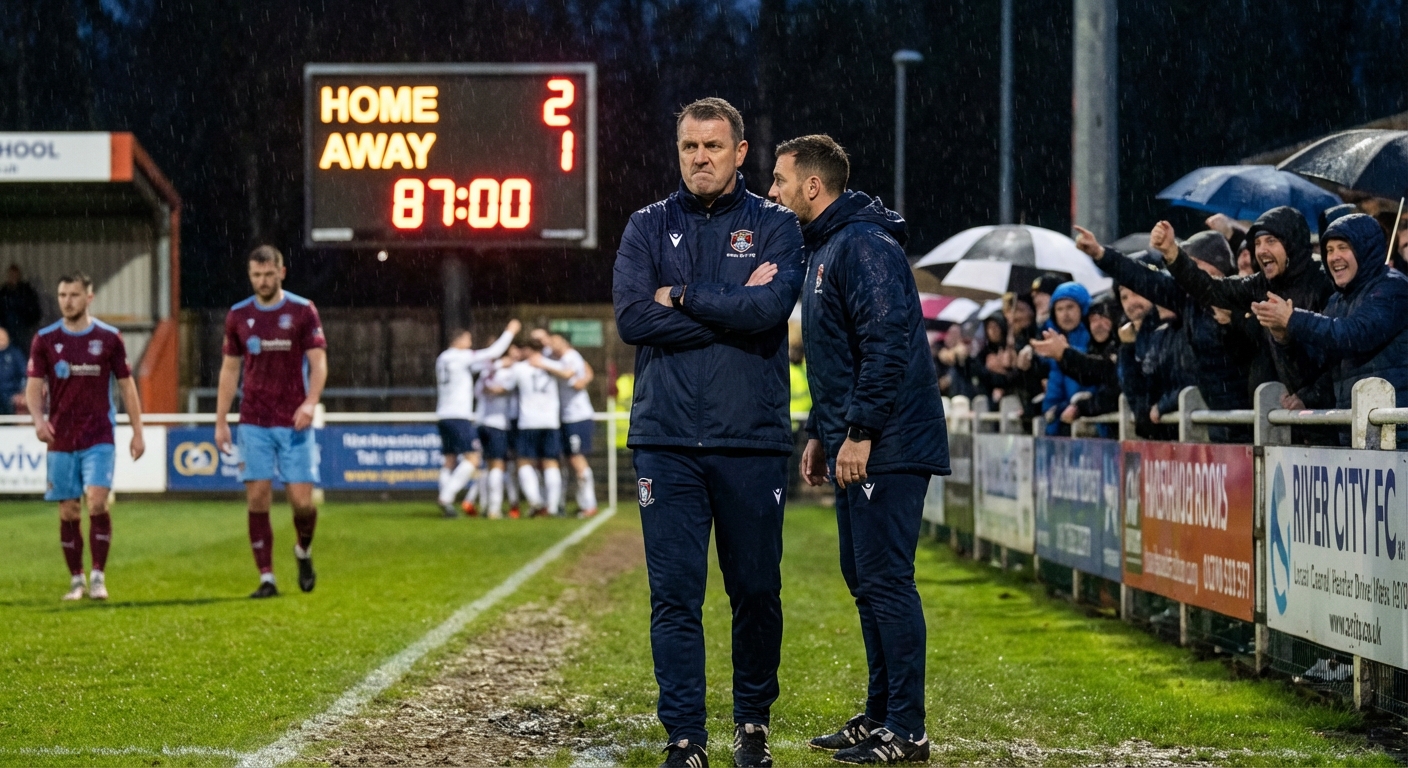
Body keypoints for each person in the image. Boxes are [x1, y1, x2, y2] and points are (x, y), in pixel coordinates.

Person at [612, 97, 805, 768]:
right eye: (690, 146)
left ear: (741, 152)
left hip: (749, 439)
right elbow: (634, 320)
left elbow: (772, 307)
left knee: (756, 591)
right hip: (664, 443)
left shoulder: (778, 225)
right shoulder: (645, 226)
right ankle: (686, 737)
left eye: (713, 146)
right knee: (674, 598)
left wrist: (685, 296)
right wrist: (733, 308)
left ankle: (751, 724)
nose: (700, 157)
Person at [771, 134, 947, 765]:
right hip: (861, 439)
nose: (773, 191)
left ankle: (908, 729)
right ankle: (880, 717)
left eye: (780, 180)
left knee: (887, 581)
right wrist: (822, 431)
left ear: (812, 187)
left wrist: (863, 431)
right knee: (865, 580)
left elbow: (886, 343)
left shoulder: (863, 245)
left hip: (891, 444)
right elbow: (835, 359)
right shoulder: (826, 247)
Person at [215, 246, 328, 599]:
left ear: (282, 272)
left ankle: (303, 551)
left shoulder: (302, 310)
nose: (262, 281)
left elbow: (319, 363)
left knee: (302, 504)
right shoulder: (238, 315)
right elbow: (230, 370)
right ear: (250, 276)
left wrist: (311, 402)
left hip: (294, 421)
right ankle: (267, 577)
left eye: (268, 274)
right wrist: (220, 420)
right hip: (254, 420)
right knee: (258, 498)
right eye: (256, 275)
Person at [26, 272, 145, 601]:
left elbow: (126, 386)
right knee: (68, 511)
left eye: (74, 295)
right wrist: (38, 420)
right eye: (63, 295)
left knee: (95, 502)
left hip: (98, 436)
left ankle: (97, 576)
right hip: (60, 438)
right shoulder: (45, 340)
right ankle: (76, 579)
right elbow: (34, 388)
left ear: (89, 297)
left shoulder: (109, 338)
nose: (67, 301)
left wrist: (138, 431)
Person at [1074, 226, 1255, 442]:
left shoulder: (1240, 296)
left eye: (1193, 265)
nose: (1186, 273)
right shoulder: (1189, 301)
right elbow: (1145, 279)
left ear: (1217, 267)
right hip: (1214, 426)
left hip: (1246, 423)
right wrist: (1100, 254)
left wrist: (1233, 322)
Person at [1252, 213, 1408, 445]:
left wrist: (1293, 319)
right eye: (1329, 250)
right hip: (1356, 437)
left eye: (1342, 247)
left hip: (1399, 439)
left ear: (1364, 249)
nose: (1334, 257)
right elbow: (1321, 365)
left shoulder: (1393, 287)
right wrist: (1284, 339)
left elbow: (1355, 334)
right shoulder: (1336, 302)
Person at [1155, 207, 1335, 409]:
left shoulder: (1324, 282)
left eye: (1271, 241)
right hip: (1287, 412)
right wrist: (1172, 253)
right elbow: (1211, 288)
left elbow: (1338, 357)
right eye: (1257, 243)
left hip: (1333, 414)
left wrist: (1311, 396)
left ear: (1291, 242)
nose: (1261, 250)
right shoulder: (1261, 284)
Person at [433, 320, 520, 517]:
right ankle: (446, 497)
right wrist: (509, 332)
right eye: (469, 340)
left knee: (449, 460)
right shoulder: (462, 356)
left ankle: (446, 504)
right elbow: (492, 352)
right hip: (458, 415)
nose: (471, 344)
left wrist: (497, 364)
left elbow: (482, 363)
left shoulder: (443, 358)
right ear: (460, 340)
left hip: (443, 415)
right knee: (473, 459)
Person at [488, 337, 566, 517]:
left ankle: (536, 501)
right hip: (550, 421)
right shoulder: (553, 365)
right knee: (550, 462)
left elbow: (504, 387)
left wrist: (490, 385)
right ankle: (552, 508)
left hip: (528, 422)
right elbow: (568, 373)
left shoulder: (520, 369)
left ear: (529, 350)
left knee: (524, 462)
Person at [544, 332, 599, 518]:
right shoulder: (558, 357)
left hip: (578, 416)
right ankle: (578, 503)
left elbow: (572, 378)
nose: (551, 344)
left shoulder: (570, 357)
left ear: (564, 342)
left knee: (577, 459)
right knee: (570, 460)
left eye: (555, 340)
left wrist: (543, 364)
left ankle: (589, 504)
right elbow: (587, 370)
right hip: (566, 417)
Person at [1034, 282, 1096, 436]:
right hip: (1065, 426)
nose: (1065, 314)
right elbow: (1054, 392)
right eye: (1059, 309)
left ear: (1083, 308)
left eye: (1070, 307)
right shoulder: (1055, 342)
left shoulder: (1095, 339)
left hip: (1090, 425)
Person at [477, 346, 521, 518]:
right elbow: (500, 389)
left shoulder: (486, 372)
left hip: (484, 422)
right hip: (499, 424)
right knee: (498, 466)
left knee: (490, 466)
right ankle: (494, 509)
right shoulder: (509, 372)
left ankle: (488, 505)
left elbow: (479, 391)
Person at [0, 264, 43, 350]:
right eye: (11, 275)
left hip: (23, 331)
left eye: (15, 275)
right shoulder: (3, 293)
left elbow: (35, 312)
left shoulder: (26, 291)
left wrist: (27, 323)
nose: (13, 277)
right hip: (7, 330)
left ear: (19, 276)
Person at [0, 327, 26, 415]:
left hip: (12, 394)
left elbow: (25, 375)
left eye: (3, 337)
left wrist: (22, 393)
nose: (2, 340)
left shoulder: (15, 354)